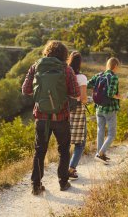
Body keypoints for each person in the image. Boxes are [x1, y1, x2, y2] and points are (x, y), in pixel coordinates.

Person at [22, 41, 80, 195]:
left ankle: (36, 185)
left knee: (39, 151)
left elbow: (25, 90)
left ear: (46, 52)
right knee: (64, 151)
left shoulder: (36, 67)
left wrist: (41, 96)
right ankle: (63, 182)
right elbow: (75, 93)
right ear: (64, 54)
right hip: (61, 118)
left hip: (41, 117)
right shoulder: (67, 70)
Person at [87, 57, 121, 164]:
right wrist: (119, 96)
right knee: (112, 134)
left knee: (100, 131)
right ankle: (100, 153)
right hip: (110, 109)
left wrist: (96, 89)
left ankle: (100, 153)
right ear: (115, 66)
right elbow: (110, 94)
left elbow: (87, 84)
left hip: (98, 107)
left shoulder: (99, 75)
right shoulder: (114, 77)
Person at [67, 51, 88, 180]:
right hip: (78, 111)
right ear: (80, 63)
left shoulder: (65, 75)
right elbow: (84, 98)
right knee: (80, 142)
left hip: (65, 110)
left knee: (66, 141)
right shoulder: (81, 78)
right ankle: (71, 168)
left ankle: (64, 167)